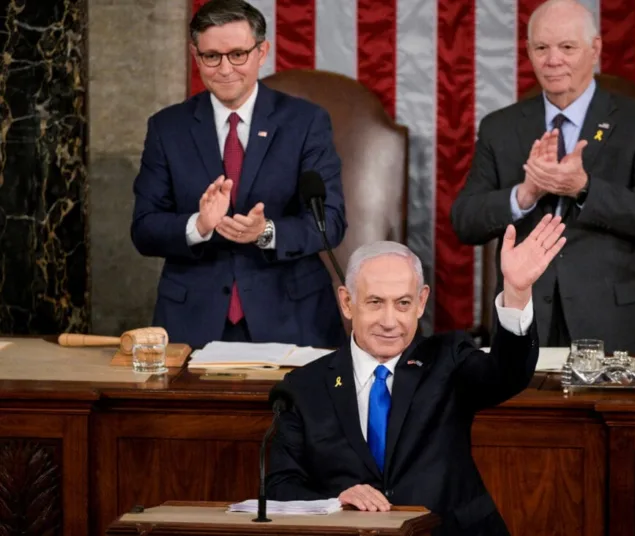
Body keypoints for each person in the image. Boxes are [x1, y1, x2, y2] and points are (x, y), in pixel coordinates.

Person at [267, 215, 566, 536]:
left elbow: (508, 374)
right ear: (347, 302)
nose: (389, 320)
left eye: (403, 303)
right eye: (375, 302)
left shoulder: (448, 360)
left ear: (421, 302)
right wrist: (333, 501)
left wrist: (516, 293)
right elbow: (280, 487)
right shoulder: (303, 388)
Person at [450, 0, 635, 355]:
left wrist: (583, 188)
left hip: (617, 327)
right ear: (528, 51)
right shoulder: (500, 127)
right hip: (527, 323)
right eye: (541, 48)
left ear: (595, 49)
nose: (553, 60)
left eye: (567, 47)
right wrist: (524, 195)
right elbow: (465, 222)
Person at [130, 0, 347, 349]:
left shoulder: (305, 123)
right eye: (212, 56)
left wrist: (266, 231)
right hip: (193, 322)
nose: (225, 69)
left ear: (262, 52)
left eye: (237, 55)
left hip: (292, 317)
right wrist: (198, 226)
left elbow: (330, 222)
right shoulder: (167, 128)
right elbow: (144, 228)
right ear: (195, 55)